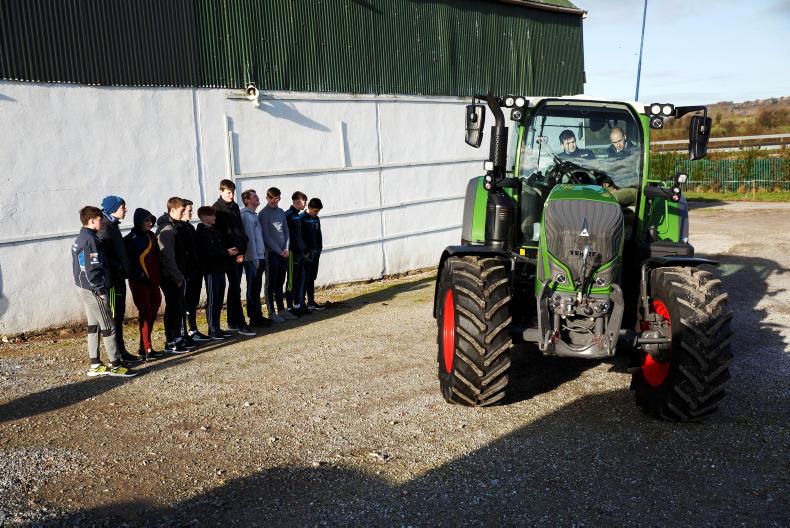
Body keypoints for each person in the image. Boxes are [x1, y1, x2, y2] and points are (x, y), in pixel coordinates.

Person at [71, 206, 137, 377]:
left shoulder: (80, 238)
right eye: (100, 219)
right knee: (108, 326)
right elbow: (91, 268)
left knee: (94, 326)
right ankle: (115, 365)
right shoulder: (91, 240)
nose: (102, 221)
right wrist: (99, 289)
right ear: (92, 221)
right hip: (94, 290)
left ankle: (95, 364)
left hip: (84, 287)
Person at [97, 195, 139, 363]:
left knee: (119, 316)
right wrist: (120, 267)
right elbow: (105, 256)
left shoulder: (112, 226)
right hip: (113, 281)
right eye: (123, 207)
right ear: (113, 209)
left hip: (119, 278)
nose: (126, 210)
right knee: (115, 317)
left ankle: (121, 350)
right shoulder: (106, 228)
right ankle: (116, 355)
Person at [213, 180, 255, 336]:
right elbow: (220, 234)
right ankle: (240, 322)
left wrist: (242, 251)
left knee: (235, 287)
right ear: (221, 191)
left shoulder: (235, 207)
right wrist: (229, 251)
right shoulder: (216, 209)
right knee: (233, 288)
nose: (231, 195)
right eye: (228, 192)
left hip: (239, 253)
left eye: (232, 192)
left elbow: (239, 230)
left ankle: (233, 321)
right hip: (228, 254)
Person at [124, 208, 165, 361]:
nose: (149, 223)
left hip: (154, 281)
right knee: (145, 313)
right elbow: (127, 262)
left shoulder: (150, 235)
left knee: (153, 312)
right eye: (146, 221)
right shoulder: (130, 239)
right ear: (139, 222)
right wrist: (137, 275)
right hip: (139, 283)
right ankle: (146, 347)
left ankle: (145, 346)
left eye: (150, 220)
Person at [156, 197, 192, 353]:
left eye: (184, 210)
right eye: (181, 211)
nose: (183, 213)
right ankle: (171, 341)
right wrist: (177, 277)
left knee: (177, 308)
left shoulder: (173, 227)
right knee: (173, 308)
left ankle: (177, 338)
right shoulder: (167, 230)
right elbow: (168, 257)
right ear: (171, 210)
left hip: (175, 275)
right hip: (170, 277)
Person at [195, 206, 233, 340]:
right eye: (212, 216)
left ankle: (216, 326)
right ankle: (212, 329)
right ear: (205, 217)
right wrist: (225, 252)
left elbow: (220, 247)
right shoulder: (200, 233)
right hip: (210, 270)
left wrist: (228, 251)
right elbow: (207, 253)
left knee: (219, 299)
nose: (215, 218)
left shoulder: (215, 231)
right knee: (212, 300)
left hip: (220, 268)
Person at [178, 199, 211, 344]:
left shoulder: (190, 228)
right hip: (186, 273)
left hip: (196, 271)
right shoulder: (177, 229)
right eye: (189, 210)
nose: (191, 213)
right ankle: (183, 333)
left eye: (192, 210)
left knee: (193, 302)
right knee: (184, 304)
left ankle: (193, 330)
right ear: (182, 210)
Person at [258, 187, 293, 323]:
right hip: (272, 254)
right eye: (271, 198)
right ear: (267, 198)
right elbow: (266, 236)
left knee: (280, 282)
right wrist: (279, 251)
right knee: (270, 284)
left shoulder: (281, 212)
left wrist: (286, 248)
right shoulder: (263, 214)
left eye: (276, 198)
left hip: (283, 253)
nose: (274, 201)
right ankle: (271, 312)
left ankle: (281, 309)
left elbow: (286, 231)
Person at [240, 189, 269, 327]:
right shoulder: (246, 216)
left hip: (260, 257)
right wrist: (254, 259)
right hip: (252, 259)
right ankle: (254, 317)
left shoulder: (254, 215)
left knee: (257, 289)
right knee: (252, 288)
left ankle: (258, 315)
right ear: (247, 200)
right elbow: (249, 240)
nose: (257, 197)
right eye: (254, 196)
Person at [285, 191, 309, 316]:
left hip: (300, 253)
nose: (305, 204)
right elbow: (287, 236)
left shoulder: (297, 216)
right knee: (291, 280)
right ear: (297, 201)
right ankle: (289, 307)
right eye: (304, 201)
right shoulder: (288, 215)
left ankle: (298, 305)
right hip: (292, 253)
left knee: (300, 279)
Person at [300, 197, 324, 311]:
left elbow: (319, 235)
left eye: (318, 211)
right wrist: (305, 252)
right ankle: (302, 302)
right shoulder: (302, 219)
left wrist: (319, 249)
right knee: (305, 278)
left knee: (312, 277)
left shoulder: (317, 219)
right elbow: (300, 237)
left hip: (316, 253)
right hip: (306, 255)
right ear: (309, 208)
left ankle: (311, 302)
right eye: (315, 211)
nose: (316, 213)